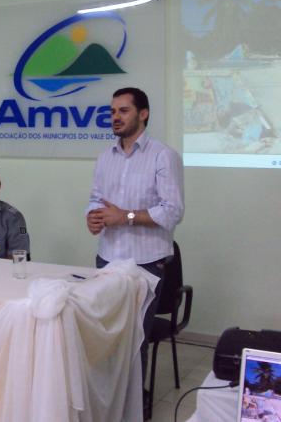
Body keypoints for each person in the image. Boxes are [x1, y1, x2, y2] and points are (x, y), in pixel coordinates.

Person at [85, 87, 184, 388]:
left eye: (123, 111)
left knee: (134, 338)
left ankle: (134, 408)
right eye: (113, 111)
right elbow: (96, 198)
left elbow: (172, 212)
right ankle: (108, 404)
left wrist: (125, 216)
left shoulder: (163, 156)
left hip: (147, 263)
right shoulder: (106, 157)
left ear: (143, 114)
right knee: (105, 336)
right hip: (108, 257)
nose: (116, 117)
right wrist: (93, 216)